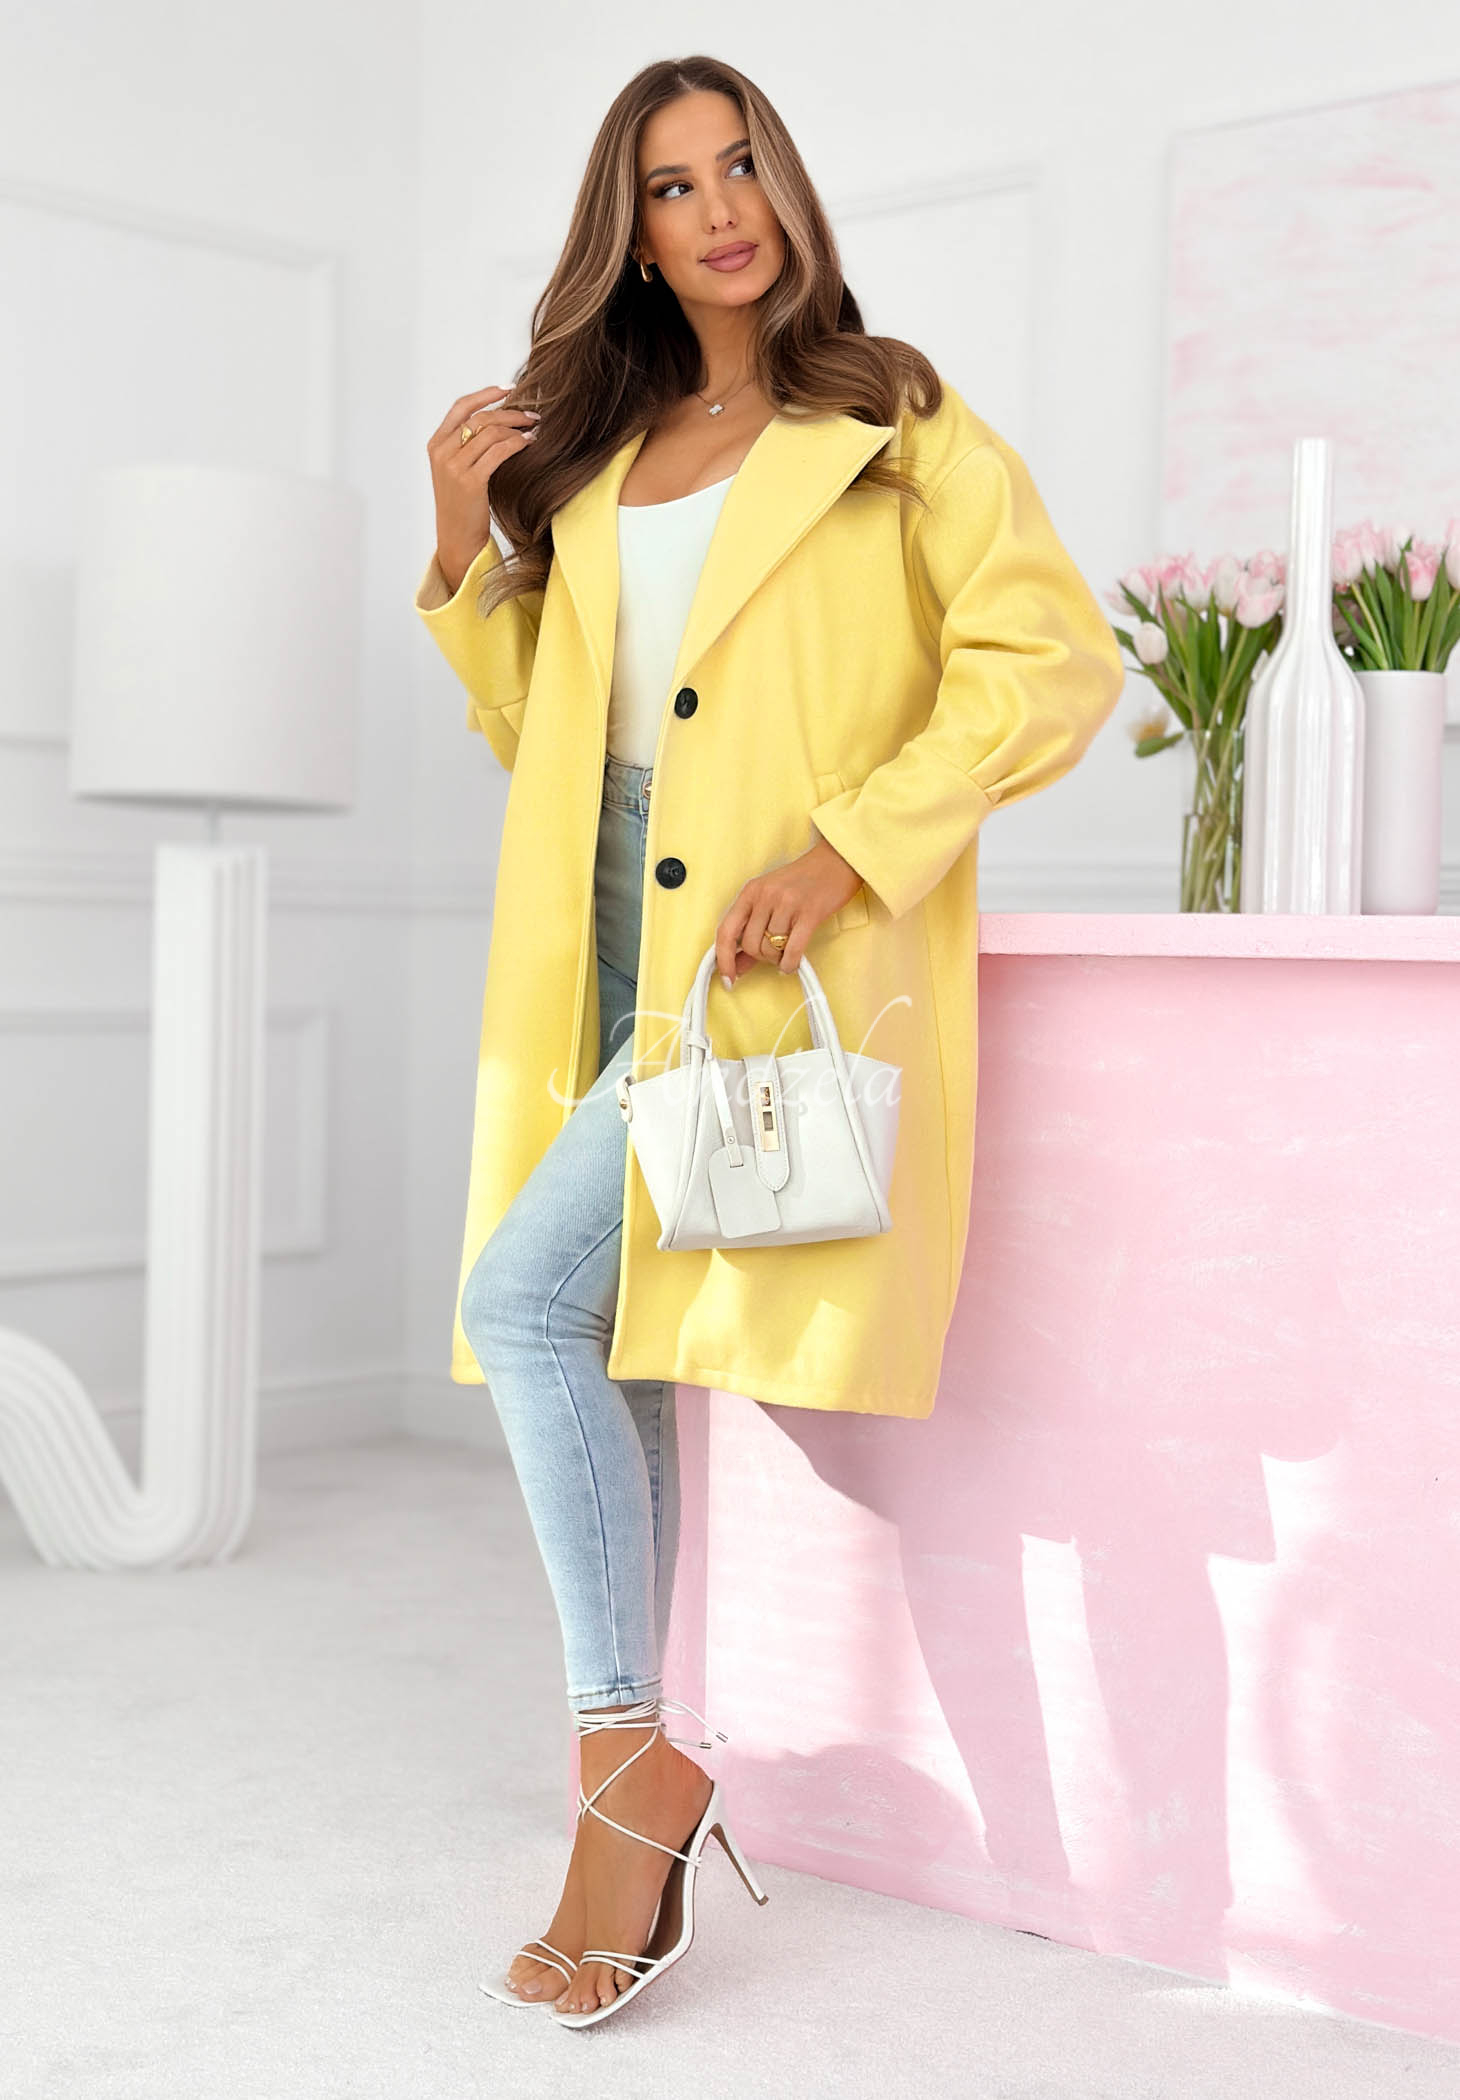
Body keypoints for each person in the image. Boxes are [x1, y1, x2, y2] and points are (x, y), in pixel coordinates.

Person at [415, 54, 1124, 2030]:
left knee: (526, 1300)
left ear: (786, 188)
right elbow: (538, 734)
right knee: (602, 1325)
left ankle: (623, 1773)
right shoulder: (597, 451)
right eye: (671, 184)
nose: (719, 206)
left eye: (740, 165)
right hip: (602, 919)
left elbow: (1049, 662)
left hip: (746, 934)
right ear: (630, 233)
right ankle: (633, 1775)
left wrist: (849, 847)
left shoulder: (890, 418)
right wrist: (468, 542)